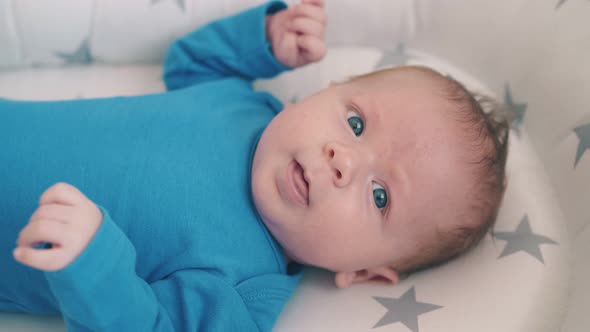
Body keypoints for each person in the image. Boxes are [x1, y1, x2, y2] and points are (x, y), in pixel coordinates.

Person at [0, 0, 509, 331]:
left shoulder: (242, 291)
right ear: (324, 92)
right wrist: (264, 41)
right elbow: (189, 64)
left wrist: (96, 263)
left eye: (380, 196)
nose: (342, 161)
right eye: (355, 124)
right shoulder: (245, 107)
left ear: (365, 273)